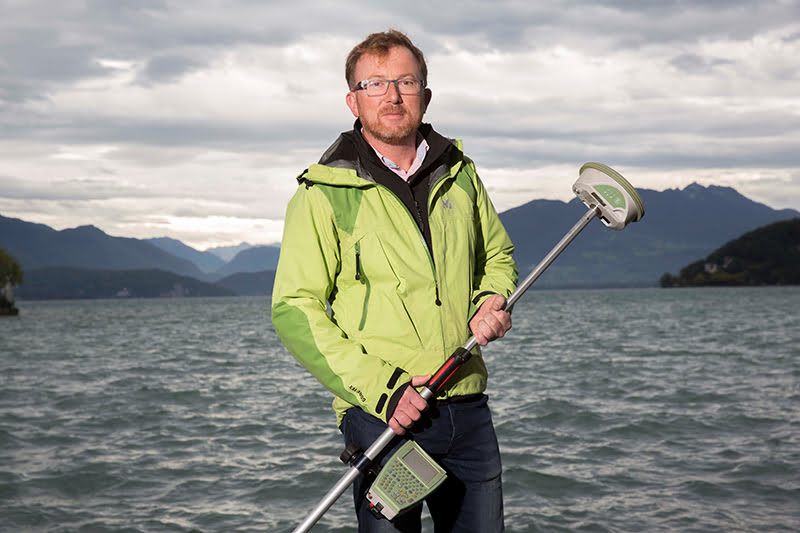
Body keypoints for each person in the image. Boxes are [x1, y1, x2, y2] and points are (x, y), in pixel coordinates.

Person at [272, 29, 518, 532]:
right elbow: (295, 310)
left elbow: (497, 254)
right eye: (375, 84)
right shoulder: (322, 191)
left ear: (425, 96)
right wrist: (385, 391)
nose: (392, 95)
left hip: (466, 405)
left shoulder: (460, 173)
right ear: (352, 101)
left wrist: (490, 296)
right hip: (383, 414)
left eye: (405, 81)